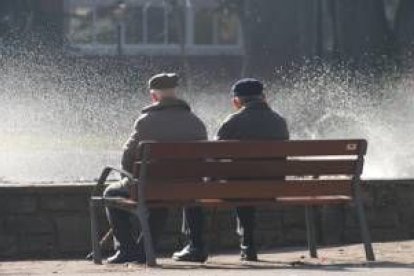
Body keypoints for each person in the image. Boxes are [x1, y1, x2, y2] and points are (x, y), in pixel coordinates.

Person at [173, 78, 289, 262]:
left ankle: (195, 246)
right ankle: (248, 245)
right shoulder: (280, 121)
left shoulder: (234, 121)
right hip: (273, 187)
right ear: (264, 98)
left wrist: (208, 182)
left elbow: (212, 158)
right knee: (245, 183)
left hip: (237, 188)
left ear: (236, 101)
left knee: (194, 188)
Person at [104, 73, 207, 264]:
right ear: (175, 94)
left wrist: (133, 176)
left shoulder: (146, 121)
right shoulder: (195, 122)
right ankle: (143, 250)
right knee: (158, 196)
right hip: (188, 187)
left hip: (151, 186)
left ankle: (127, 249)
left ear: (154, 96)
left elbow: (127, 159)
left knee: (111, 192)